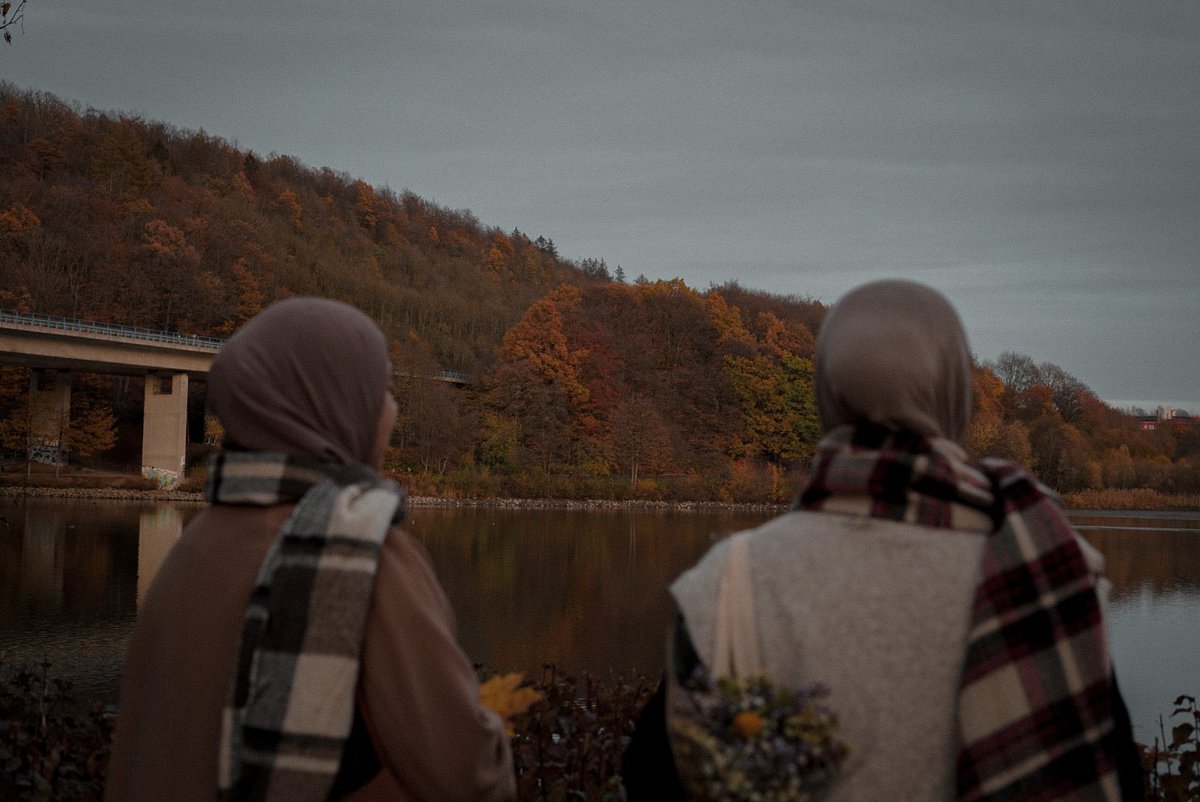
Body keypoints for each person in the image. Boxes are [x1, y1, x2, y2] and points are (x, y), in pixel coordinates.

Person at [625, 279, 1140, 801]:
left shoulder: (729, 580)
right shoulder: (1047, 571)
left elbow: (651, 782)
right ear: (955, 396)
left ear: (827, 393)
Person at [106, 298, 515, 802]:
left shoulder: (190, 545)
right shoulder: (363, 554)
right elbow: (469, 775)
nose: (390, 408)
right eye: (379, 389)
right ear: (332, 405)